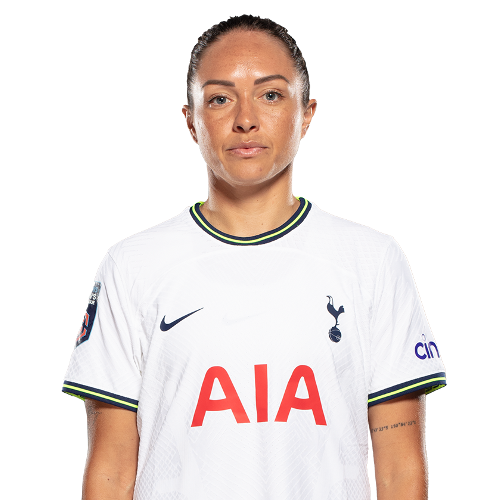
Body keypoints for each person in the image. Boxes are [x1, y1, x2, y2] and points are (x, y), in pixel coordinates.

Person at [62, 14, 446, 500]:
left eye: (270, 95)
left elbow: (400, 472)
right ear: (190, 120)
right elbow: (111, 471)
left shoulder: (372, 259)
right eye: (220, 98)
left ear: (306, 114)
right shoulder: (132, 265)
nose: (245, 119)